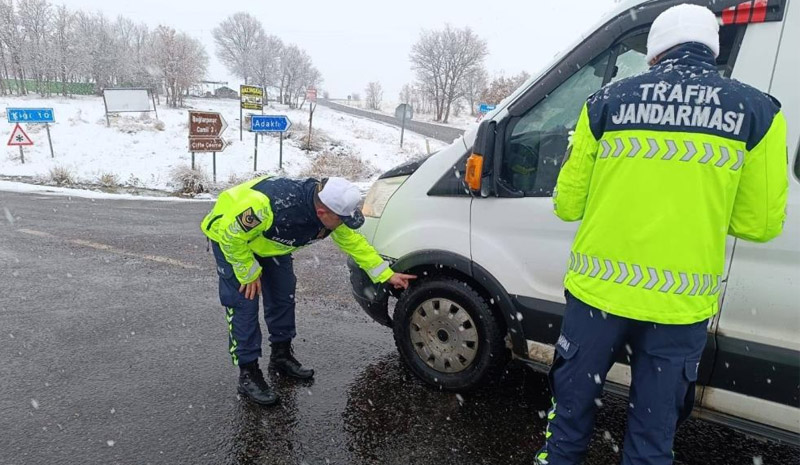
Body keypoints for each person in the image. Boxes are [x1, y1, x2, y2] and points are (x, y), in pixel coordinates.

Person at [536, 4, 788, 464]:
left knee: (568, 425)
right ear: (712, 49)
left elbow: (567, 204)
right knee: (652, 441)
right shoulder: (759, 112)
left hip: (597, 298)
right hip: (679, 306)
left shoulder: (606, 101)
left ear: (654, 52)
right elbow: (760, 224)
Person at [201, 176, 416, 406]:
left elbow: (354, 243)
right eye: (341, 220)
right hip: (231, 240)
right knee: (244, 304)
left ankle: (281, 356)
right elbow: (230, 235)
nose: (344, 224)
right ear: (323, 212)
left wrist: (386, 274)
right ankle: (248, 373)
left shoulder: (331, 213)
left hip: (269, 244)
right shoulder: (268, 205)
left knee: (284, 296)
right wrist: (248, 272)